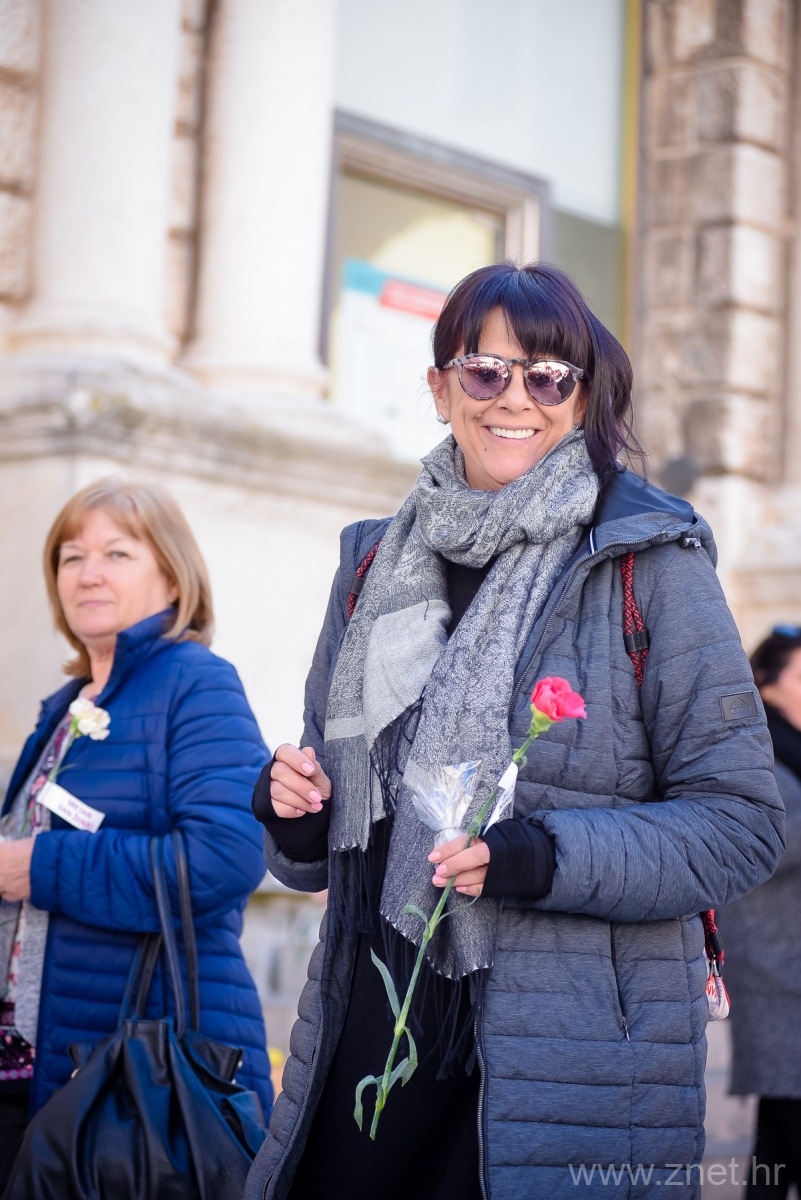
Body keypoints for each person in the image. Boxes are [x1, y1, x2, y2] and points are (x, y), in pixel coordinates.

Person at [245, 262, 784, 1200]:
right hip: (369, 1023)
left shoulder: (649, 562)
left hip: (564, 1049)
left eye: (547, 376)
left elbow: (741, 825)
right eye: (485, 370)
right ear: (439, 387)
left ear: (579, 397)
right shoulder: (370, 563)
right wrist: (293, 809)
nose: (515, 398)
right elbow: (327, 827)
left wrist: (542, 857)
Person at [0, 478, 273, 1179]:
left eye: (116, 553)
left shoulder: (196, 682)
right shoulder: (65, 706)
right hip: (35, 1068)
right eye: (71, 556)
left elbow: (225, 856)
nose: (87, 573)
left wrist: (38, 867)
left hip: (139, 1085)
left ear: (172, 576)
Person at [717, 626, 801, 1200]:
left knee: (780, 1125)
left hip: (787, 957)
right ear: (767, 683)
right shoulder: (758, 751)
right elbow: (759, 844)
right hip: (775, 964)